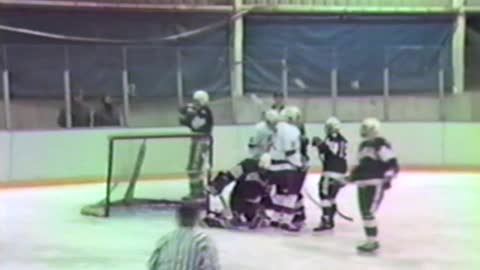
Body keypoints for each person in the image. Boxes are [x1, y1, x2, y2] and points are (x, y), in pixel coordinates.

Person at [349, 118, 399, 253]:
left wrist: (388, 177)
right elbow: (361, 166)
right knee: (365, 213)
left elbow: (392, 163)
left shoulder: (380, 144)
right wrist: (351, 177)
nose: (363, 130)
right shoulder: (363, 145)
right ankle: (370, 240)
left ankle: (372, 241)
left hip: (375, 183)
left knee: (368, 213)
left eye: (366, 128)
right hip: (362, 184)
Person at [203, 153, 272, 230]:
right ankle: (237, 214)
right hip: (239, 198)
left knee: (253, 209)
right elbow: (230, 175)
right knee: (241, 207)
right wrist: (217, 186)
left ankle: (251, 215)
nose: (262, 171)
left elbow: (268, 194)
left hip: (254, 202)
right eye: (261, 168)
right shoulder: (247, 165)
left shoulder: (271, 174)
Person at [147, 203, 220, 270]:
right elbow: (211, 267)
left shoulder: (165, 240)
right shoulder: (203, 241)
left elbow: (152, 265)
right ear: (197, 219)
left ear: (177, 219)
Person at [268, 106, 304, 232]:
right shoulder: (292, 130)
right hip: (288, 167)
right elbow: (290, 151)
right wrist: (299, 165)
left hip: (274, 167)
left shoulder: (277, 127)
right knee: (292, 194)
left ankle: (275, 218)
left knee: (280, 193)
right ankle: (286, 220)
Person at [312, 116, 348, 231]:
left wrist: (319, 143)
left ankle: (326, 219)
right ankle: (330, 218)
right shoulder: (344, 140)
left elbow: (329, 150)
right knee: (331, 196)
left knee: (324, 194)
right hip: (341, 170)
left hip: (331, 170)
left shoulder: (333, 138)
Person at [179, 90, 214, 200]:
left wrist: (189, 117)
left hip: (201, 141)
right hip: (198, 141)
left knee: (194, 167)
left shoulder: (204, 111)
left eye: (196, 101)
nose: (195, 103)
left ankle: (196, 192)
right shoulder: (201, 111)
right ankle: (197, 190)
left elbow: (196, 125)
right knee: (195, 167)